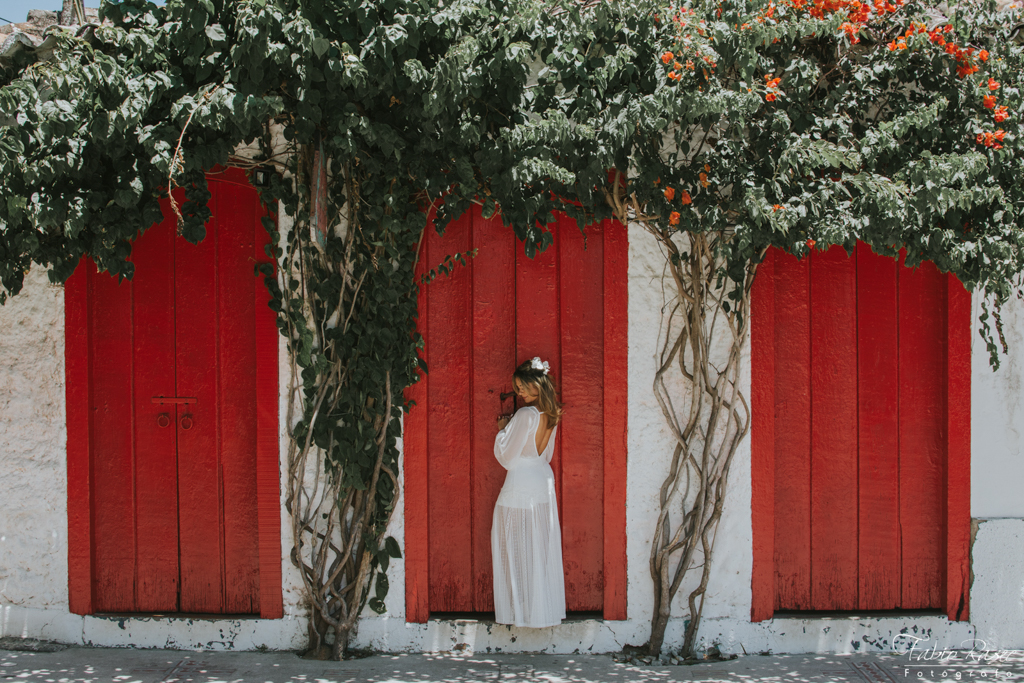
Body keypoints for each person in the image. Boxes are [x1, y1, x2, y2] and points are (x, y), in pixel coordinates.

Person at [491, 356, 566, 628]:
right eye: (517, 387)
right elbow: (545, 454)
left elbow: (507, 457)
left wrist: (502, 431)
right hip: (541, 478)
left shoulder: (525, 415)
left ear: (537, 385)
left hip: (521, 481)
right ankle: (540, 610)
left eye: (522, 386)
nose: (518, 392)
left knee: (515, 542)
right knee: (538, 544)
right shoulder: (551, 413)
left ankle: (520, 612)